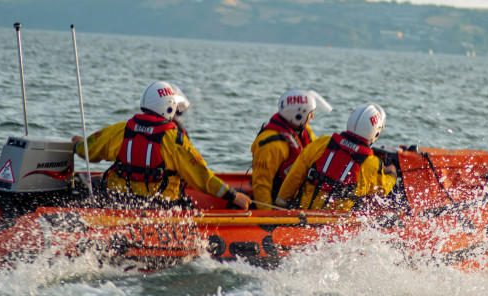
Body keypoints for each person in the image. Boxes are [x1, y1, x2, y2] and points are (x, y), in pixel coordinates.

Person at [71, 81, 251, 209]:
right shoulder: (175, 140)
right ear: (170, 108)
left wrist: (78, 144)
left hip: (119, 201)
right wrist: (234, 196)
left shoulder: (121, 130)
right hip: (159, 207)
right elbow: (203, 178)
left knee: (85, 185)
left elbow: (87, 151)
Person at [274, 103, 396, 211]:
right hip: (333, 225)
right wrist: (392, 174)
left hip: (303, 214)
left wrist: (280, 203)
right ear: (376, 132)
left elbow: (295, 174)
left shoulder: (322, 143)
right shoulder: (371, 164)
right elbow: (383, 189)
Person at [249, 88, 331, 208]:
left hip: (297, 196)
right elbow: (261, 185)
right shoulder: (271, 145)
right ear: (298, 115)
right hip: (276, 201)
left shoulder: (305, 131)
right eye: (310, 112)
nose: (312, 116)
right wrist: (267, 217)